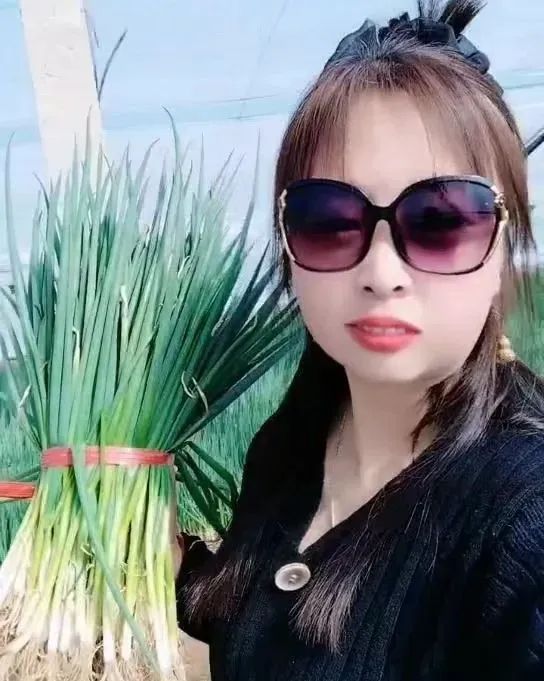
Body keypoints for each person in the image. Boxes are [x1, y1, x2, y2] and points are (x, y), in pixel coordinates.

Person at [172, 1, 544, 678]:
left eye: (440, 221)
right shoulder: (286, 450)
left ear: (501, 247)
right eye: (330, 219)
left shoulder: (525, 519)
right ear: (289, 246)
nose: (381, 272)